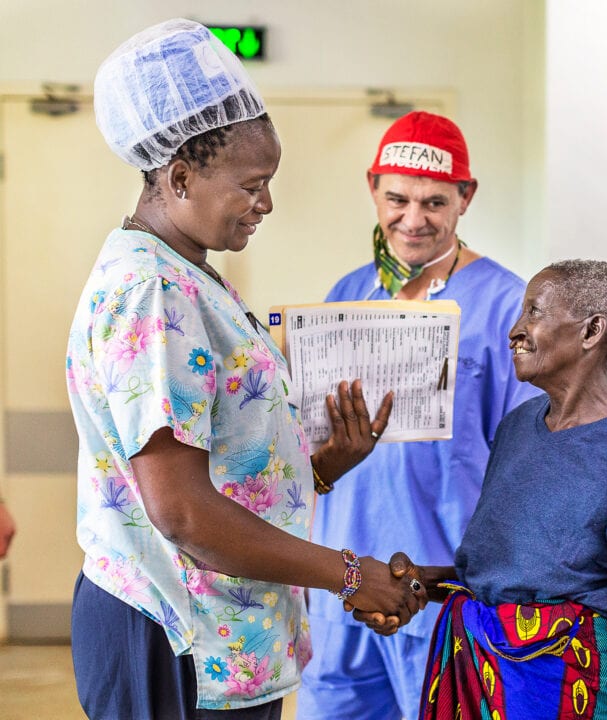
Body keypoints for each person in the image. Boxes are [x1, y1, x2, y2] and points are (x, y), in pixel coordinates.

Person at [66, 19, 425, 718]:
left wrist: (321, 467)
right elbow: (183, 512)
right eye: (252, 185)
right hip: (171, 632)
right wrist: (349, 576)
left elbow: (217, 466)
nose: (266, 204)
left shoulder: (191, 276)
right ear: (178, 177)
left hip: (222, 633)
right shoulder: (153, 291)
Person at [358, 259, 607, 719]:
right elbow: (503, 574)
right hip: (474, 670)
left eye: (534, 312)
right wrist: (414, 581)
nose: (515, 329)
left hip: (559, 688)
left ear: (592, 332)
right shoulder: (519, 425)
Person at [299, 112, 540, 718]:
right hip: (342, 576)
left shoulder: (508, 304)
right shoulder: (347, 293)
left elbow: (532, 461)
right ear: (373, 188)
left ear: (466, 197)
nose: (413, 219)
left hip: (440, 585)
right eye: (397, 198)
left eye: (434, 202)